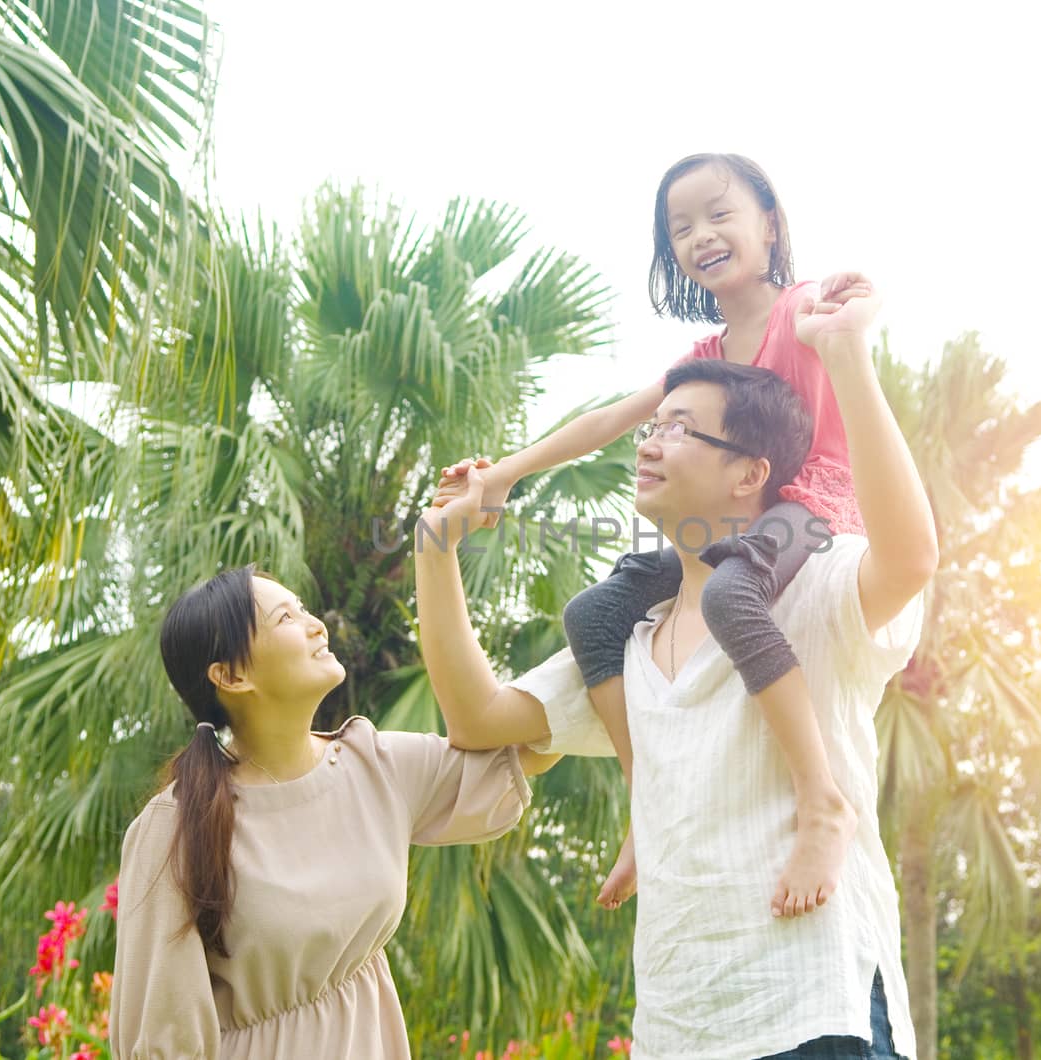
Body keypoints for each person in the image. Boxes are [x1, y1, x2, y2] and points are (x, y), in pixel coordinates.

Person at [418, 288, 938, 1059]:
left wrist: (847, 354)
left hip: (813, 1006)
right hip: (679, 1028)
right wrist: (435, 546)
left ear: (748, 474)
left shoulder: (815, 589)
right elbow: (478, 720)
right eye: (654, 428)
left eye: (682, 432)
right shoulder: (632, 633)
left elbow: (911, 558)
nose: (649, 444)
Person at [444, 152, 876, 917]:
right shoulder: (704, 357)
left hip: (809, 505)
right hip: (726, 525)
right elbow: (609, 419)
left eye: (719, 214)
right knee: (595, 614)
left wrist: (845, 319)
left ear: (769, 224)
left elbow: (851, 336)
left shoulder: (801, 308)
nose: (701, 235)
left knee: (734, 593)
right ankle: (646, 803)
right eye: (681, 228)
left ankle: (821, 800)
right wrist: (506, 473)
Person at [109, 565, 556, 1059]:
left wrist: (440, 543)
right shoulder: (176, 824)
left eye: (303, 608)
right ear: (231, 675)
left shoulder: (373, 764)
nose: (315, 623)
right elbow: (161, 1035)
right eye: (285, 618)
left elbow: (529, 741)